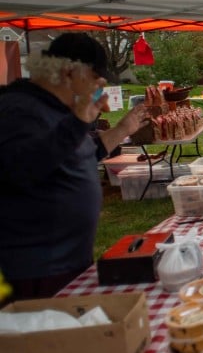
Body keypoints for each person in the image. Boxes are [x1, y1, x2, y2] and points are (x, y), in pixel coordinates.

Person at [0, 33, 148, 301]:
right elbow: (22, 168)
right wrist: (79, 120)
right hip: (35, 272)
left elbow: (81, 154)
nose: (97, 89)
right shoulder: (19, 110)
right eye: (95, 80)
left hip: (68, 263)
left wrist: (124, 128)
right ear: (70, 72)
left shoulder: (58, 110)